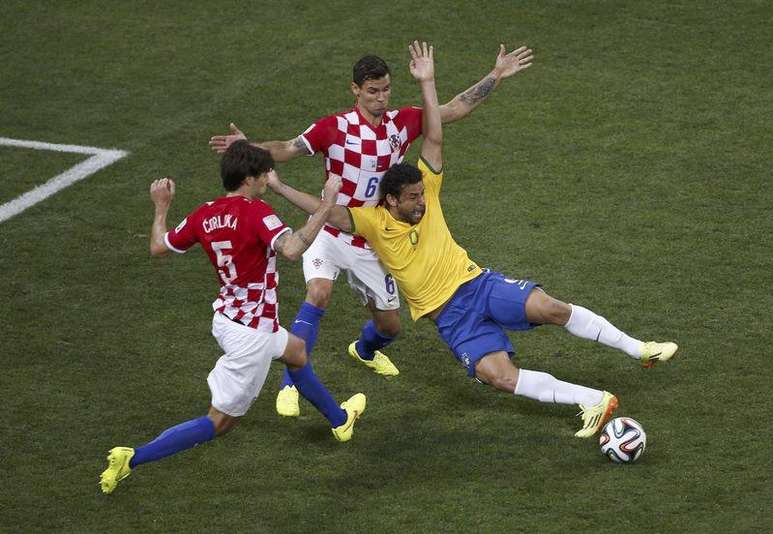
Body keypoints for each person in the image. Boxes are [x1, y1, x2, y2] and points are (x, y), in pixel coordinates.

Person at [266, 42, 679, 438]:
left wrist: (437, 80)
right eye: (411, 200)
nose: (421, 204)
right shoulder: (370, 221)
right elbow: (330, 213)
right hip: (450, 317)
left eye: (386, 88)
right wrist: (280, 186)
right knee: (497, 376)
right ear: (391, 199)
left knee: (550, 306)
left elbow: (438, 133)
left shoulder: (425, 185)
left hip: (477, 284)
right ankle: (595, 400)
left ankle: (638, 348)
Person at [209, 43, 535, 418]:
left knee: (390, 326)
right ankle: (290, 384)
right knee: (318, 292)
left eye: (386, 90)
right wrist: (248, 146)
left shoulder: (404, 122)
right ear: (355, 90)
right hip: (330, 230)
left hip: (375, 238)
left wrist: (495, 75)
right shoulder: (333, 128)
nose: (381, 98)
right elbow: (286, 148)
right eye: (372, 91)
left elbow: (454, 109)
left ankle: (364, 350)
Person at [99, 141, 366, 495]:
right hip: (251, 333)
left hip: (229, 317)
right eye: (264, 175)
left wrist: (161, 207)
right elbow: (291, 248)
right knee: (220, 422)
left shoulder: (203, 213)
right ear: (249, 178)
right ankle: (132, 457)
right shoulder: (257, 213)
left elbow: (158, 246)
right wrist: (328, 203)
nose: (267, 180)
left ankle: (340, 420)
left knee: (297, 352)